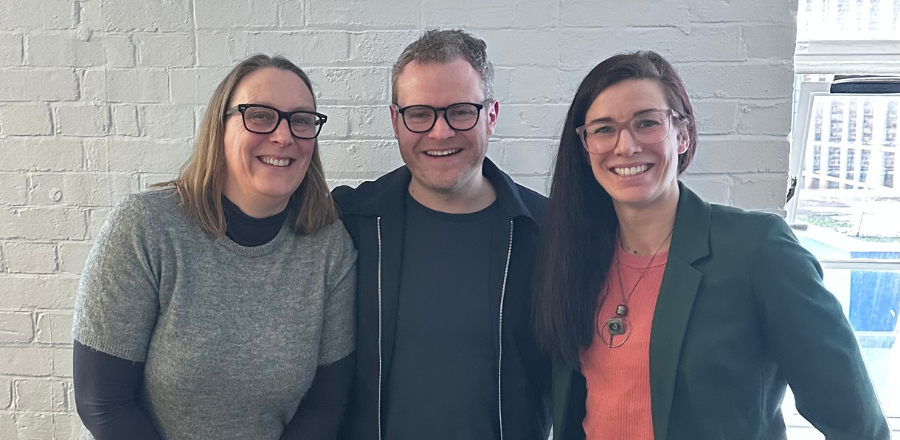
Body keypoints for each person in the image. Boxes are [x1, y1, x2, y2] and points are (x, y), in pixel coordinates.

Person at [533, 51, 890, 440]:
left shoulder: (757, 251)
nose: (626, 146)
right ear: (585, 148)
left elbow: (859, 424)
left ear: (682, 134)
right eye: (603, 129)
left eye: (647, 123)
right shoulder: (575, 257)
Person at [72, 54, 357, 440]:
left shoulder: (328, 248)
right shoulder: (146, 228)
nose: (284, 136)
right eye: (260, 115)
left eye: (301, 120)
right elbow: (104, 405)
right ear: (219, 128)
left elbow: (324, 407)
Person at [333, 29, 552, 440]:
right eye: (420, 113)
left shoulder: (546, 232)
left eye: (461, 111)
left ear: (491, 114)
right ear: (396, 120)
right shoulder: (351, 222)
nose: (440, 132)